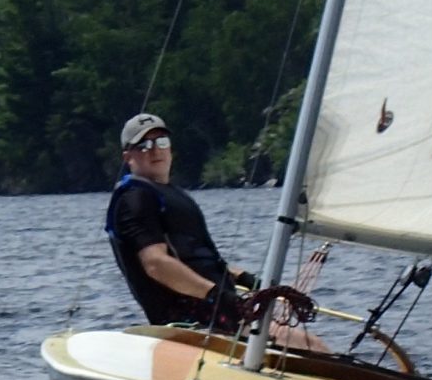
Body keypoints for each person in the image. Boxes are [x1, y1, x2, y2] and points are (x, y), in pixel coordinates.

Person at [104, 114, 322, 351]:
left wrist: (244, 279)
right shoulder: (135, 199)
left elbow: (193, 258)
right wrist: (216, 296)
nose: (155, 150)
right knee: (308, 344)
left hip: (217, 308)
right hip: (190, 319)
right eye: (144, 145)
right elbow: (156, 263)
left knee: (310, 344)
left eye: (162, 142)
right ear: (128, 157)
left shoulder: (169, 194)